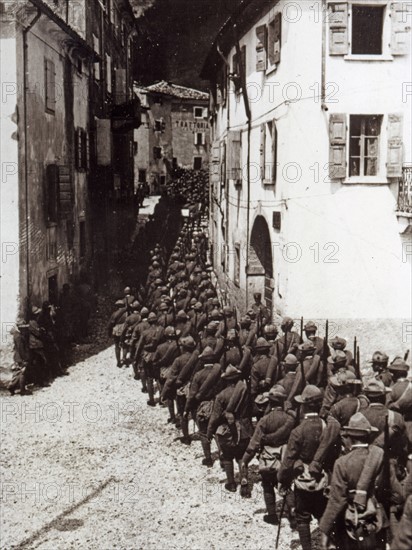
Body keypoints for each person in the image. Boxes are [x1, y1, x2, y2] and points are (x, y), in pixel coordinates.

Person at [319, 413, 388, 550]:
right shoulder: (379, 456)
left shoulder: (342, 462)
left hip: (352, 520)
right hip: (376, 516)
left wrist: (324, 531)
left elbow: (337, 501)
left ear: (350, 437)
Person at [278, 385, 328, 550]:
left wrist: (283, 481)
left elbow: (288, 461)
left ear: (305, 406)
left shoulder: (298, 431)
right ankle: (325, 545)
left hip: (303, 480)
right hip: (323, 478)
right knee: (323, 514)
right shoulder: (325, 426)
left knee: (302, 517)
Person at [240, 385, 295, 523]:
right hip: (285, 456)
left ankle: (272, 515)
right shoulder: (290, 419)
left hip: (268, 458)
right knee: (286, 486)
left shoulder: (264, 420)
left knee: (268, 485)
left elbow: (254, 444)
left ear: (270, 401)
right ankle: (293, 515)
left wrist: (245, 460)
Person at [206, 365, 253, 493]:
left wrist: (209, 432)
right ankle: (244, 480)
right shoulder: (245, 392)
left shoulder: (221, 395)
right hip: (244, 428)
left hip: (227, 430)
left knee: (227, 456)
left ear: (226, 380)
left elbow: (215, 417)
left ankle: (231, 484)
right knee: (241, 456)